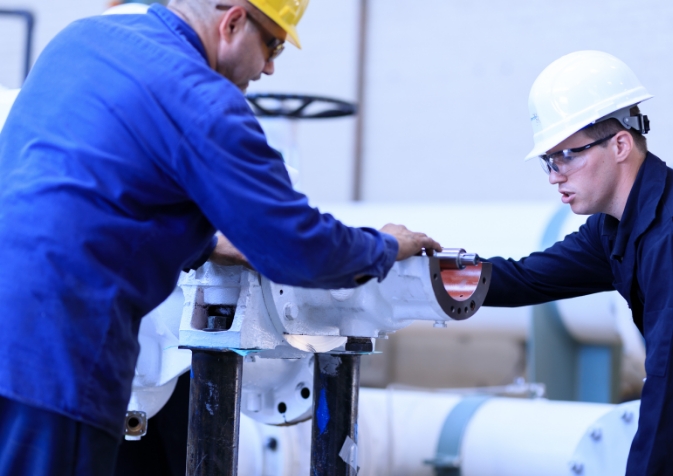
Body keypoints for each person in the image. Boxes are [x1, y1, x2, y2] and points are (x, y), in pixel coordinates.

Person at [0, 1, 441, 474]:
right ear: (232, 21)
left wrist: (204, 244)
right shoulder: (203, 101)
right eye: (272, 43)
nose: (270, 66)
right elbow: (300, 247)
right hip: (56, 354)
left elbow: (93, 190)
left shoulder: (82, 40)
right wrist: (386, 246)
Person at [483, 50, 670, 475]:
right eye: (549, 161)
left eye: (567, 155)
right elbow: (526, 278)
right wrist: (426, 273)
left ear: (621, 144)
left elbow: (666, 385)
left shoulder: (668, 237)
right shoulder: (614, 228)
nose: (554, 175)